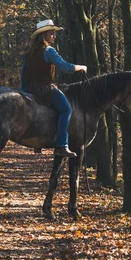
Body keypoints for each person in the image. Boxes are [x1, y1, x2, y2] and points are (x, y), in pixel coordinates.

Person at [21, 19, 87, 158]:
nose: (54, 36)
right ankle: (62, 145)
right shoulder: (49, 51)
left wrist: (23, 91)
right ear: (44, 35)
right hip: (44, 88)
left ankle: (38, 141)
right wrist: (81, 67)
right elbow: (65, 67)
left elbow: (23, 73)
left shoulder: (29, 52)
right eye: (51, 34)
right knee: (66, 109)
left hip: (29, 89)